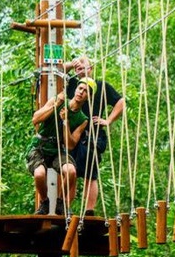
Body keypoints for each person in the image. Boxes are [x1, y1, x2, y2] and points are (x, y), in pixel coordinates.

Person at [63, 56, 125, 216]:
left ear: (91, 68)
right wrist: (72, 64)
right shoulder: (71, 85)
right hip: (70, 135)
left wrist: (108, 120)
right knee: (71, 172)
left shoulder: (101, 86)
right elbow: (54, 73)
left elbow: (121, 102)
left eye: (83, 64)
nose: (79, 66)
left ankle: (89, 211)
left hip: (91, 135)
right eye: (77, 64)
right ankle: (65, 209)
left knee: (90, 174)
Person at [27, 77, 95, 215]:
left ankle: (60, 202)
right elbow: (36, 119)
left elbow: (70, 145)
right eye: (80, 88)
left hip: (57, 149)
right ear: (75, 89)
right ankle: (45, 202)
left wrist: (66, 123)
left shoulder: (83, 119)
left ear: (88, 97)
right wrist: (56, 104)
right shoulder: (57, 101)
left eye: (86, 91)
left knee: (71, 171)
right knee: (39, 174)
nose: (81, 92)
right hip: (40, 145)